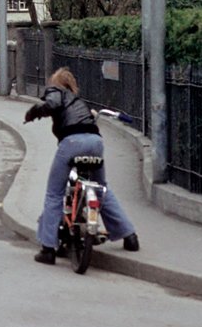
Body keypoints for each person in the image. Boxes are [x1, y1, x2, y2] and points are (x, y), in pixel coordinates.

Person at [23, 67, 139, 264]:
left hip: (72, 142)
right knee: (101, 188)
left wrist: (33, 113)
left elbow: (51, 103)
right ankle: (129, 236)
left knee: (54, 194)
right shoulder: (79, 102)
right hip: (95, 142)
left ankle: (48, 249)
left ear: (57, 83)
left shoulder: (56, 91)